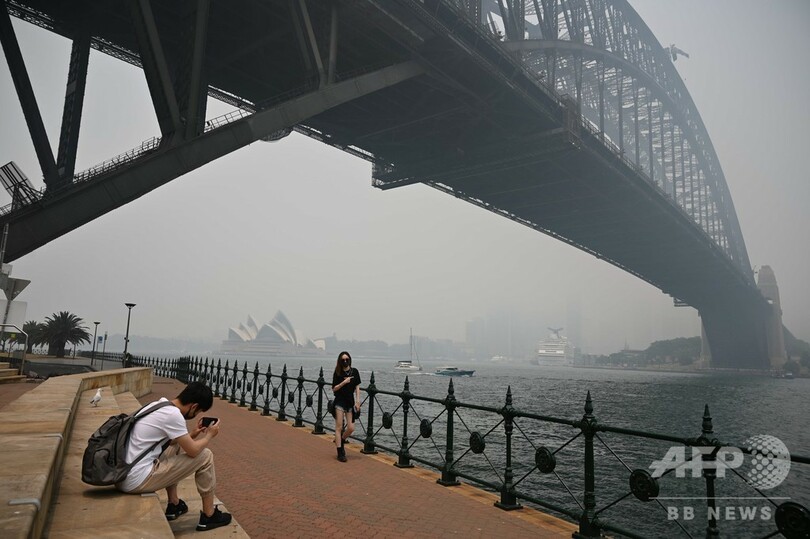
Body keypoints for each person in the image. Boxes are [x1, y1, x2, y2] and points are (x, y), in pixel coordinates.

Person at [115, 381, 232, 532]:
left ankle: (174, 504)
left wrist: (193, 434)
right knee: (206, 456)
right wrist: (209, 435)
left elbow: (171, 442)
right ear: (194, 406)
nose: (196, 415)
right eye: (198, 412)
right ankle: (209, 515)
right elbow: (193, 451)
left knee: (174, 445)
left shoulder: (159, 405)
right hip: (136, 480)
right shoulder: (174, 415)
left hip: (123, 475)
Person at [331, 351, 361, 462]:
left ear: (350, 360)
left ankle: (341, 440)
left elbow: (357, 387)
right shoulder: (338, 372)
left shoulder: (354, 372)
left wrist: (358, 401)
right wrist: (344, 383)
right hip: (339, 401)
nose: (345, 361)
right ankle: (340, 452)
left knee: (351, 428)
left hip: (350, 402)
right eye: (343, 360)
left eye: (347, 359)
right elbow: (334, 388)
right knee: (339, 427)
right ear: (340, 361)